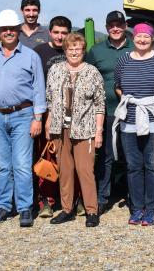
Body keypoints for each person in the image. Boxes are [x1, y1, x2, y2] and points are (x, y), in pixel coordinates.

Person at [0, 9, 46, 228]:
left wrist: (37, 118)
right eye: (4, 29)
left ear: (18, 30)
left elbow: (39, 88)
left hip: (23, 115)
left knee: (21, 165)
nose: (8, 32)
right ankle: (3, 206)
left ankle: (24, 208)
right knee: (2, 165)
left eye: (12, 28)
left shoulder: (31, 56)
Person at [45, 32, 105, 228]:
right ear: (65, 50)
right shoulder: (55, 70)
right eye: (70, 49)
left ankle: (91, 210)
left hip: (85, 128)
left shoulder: (92, 72)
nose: (74, 52)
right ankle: (67, 209)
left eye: (78, 49)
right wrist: (48, 123)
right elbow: (49, 100)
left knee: (85, 170)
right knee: (65, 170)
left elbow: (99, 105)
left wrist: (99, 131)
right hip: (59, 128)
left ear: (83, 50)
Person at [113, 23, 154, 227]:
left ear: (152, 39)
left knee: (152, 166)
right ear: (132, 39)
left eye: (146, 37)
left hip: (153, 120)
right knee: (133, 166)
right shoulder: (124, 60)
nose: (142, 40)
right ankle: (137, 209)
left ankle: (152, 210)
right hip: (130, 121)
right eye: (138, 37)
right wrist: (130, 101)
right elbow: (118, 86)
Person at [86, 10, 133, 212]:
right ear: (107, 28)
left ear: (124, 27)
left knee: (132, 156)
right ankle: (102, 198)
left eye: (119, 25)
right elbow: (86, 78)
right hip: (104, 112)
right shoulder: (96, 51)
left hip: (131, 112)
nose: (115, 28)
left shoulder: (135, 48)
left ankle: (134, 197)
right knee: (106, 157)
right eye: (111, 25)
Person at [32, 15, 72, 218]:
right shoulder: (39, 52)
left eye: (64, 33)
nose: (60, 36)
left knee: (67, 155)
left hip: (70, 111)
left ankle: (70, 198)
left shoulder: (73, 51)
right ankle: (45, 200)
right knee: (46, 155)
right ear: (50, 32)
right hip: (47, 110)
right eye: (56, 32)